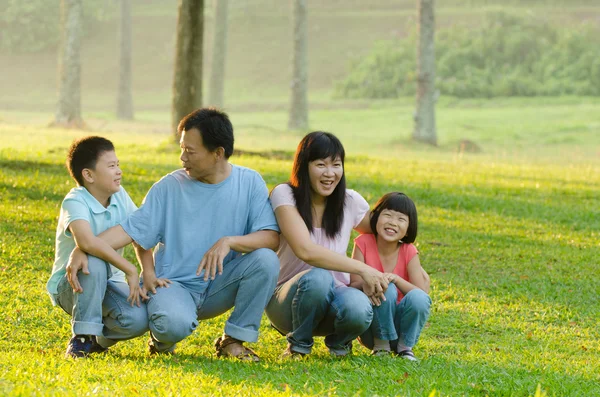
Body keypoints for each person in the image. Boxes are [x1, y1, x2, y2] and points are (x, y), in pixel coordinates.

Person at [67, 108, 280, 361]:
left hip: (222, 284)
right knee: (172, 324)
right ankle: (161, 341)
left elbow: (270, 238)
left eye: (190, 151)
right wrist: (84, 247)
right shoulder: (170, 186)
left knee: (266, 260)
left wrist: (230, 242)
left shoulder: (250, 182)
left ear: (218, 153)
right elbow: (130, 230)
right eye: (182, 148)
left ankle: (233, 340)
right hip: (174, 286)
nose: (182, 157)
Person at [265, 131, 389, 358]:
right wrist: (363, 269)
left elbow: (385, 232)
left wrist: (409, 247)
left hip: (335, 296)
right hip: (286, 301)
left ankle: (339, 345)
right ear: (304, 166)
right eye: (321, 165)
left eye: (336, 165)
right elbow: (306, 251)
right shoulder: (285, 195)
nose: (330, 173)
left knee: (358, 307)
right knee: (318, 277)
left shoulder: (350, 201)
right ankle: (297, 347)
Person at [47, 136, 151, 358]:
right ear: (88, 175)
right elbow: (86, 242)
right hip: (72, 284)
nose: (118, 171)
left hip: (109, 283)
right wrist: (130, 269)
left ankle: (97, 342)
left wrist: (146, 271)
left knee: (137, 320)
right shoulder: (75, 201)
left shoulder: (120, 196)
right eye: (111, 166)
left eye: (118, 165)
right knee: (91, 259)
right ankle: (82, 337)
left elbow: (140, 231)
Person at [350, 192, 431, 360]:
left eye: (401, 219)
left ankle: (405, 348)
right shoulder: (363, 243)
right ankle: (381, 346)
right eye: (387, 215)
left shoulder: (409, 251)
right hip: (372, 331)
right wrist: (370, 283)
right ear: (376, 217)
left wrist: (397, 278)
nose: (393, 222)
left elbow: (421, 294)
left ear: (409, 226)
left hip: (402, 329)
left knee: (417, 297)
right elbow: (352, 285)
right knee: (385, 286)